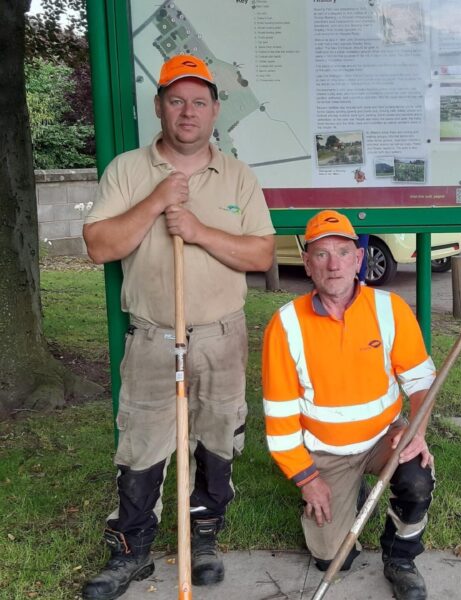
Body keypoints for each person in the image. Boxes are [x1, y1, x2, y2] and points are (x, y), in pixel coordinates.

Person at [82, 54, 275, 599]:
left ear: (215, 110)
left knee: (217, 437)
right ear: (159, 106)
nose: (187, 112)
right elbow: (99, 246)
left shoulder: (238, 176)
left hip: (221, 334)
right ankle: (132, 550)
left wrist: (196, 229)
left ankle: (204, 537)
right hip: (152, 335)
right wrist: (157, 201)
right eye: (176, 100)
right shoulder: (127, 170)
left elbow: (261, 254)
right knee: (142, 443)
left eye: (198, 102)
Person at [262, 210, 436, 600]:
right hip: (325, 453)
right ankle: (345, 496)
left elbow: (423, 383)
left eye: (343, 252)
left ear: (359, 259)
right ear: (307, 264)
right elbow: (280, 422)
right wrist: (308, 480)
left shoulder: (390, 309)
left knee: (416, 478)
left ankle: (401, 557)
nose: (334, 264)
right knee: (331, 558)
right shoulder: (285, 325)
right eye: (321, 255)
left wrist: (416, 432)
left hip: (382, 438)